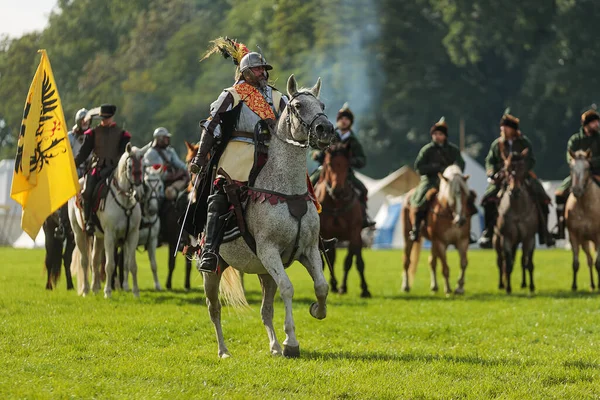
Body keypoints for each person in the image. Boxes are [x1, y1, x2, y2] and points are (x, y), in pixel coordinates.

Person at [188, 38, 288, 273]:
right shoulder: (232, 94)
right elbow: (212, 126)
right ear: (245, 72)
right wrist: (200, 158)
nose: (263, 72)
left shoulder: (276, 97)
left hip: (269, 153)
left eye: (264, 69)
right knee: (222, 191)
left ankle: (309, 238)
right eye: (258, 69)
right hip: (237, 152)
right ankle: (210, 250)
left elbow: (292, 118)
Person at [478, 111, 555, 248]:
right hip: (502, 178)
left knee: (542, 197)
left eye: (505, 127)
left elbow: (531, 160)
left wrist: (522, 171)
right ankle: (488, 232)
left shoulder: (524, 142)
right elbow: (490, 160)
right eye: (502, 127)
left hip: (522, 176)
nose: (503, 129)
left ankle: (545, 233)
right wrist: (492, 173)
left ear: (513, 129)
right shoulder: (497, 144)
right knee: (487, 200)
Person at [310, 103, 375, 228]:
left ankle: (364, 216)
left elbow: (362, 159)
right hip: (325, 170)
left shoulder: (353, 141)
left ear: (350, 122)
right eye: (341, 118)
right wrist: (317, 154)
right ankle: (307, 215)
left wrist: (351, 161)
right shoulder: (328, 135)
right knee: (309, 185)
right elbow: (315, 148)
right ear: (338, 120)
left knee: (363, 189)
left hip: (346, 174)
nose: (344, 121)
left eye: (347, 119)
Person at [409, 118, 473, 241]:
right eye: (435, 134)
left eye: (440, 134)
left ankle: (467, 231)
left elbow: (461, 164)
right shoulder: (427, 150)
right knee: (421, 199)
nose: (437, 136)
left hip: (450, 182)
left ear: (444, 136)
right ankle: (416, 229)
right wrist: (434, 168)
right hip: (431, 181)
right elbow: (419, 167)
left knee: (467, 197)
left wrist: (453, 172)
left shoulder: (453, 150)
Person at [74, 104, 131, 235]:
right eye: (102, 118)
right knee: (87, 192)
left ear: (112, 117)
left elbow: (123, 155)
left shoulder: (122, 134)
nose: (104, 120)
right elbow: (83, 154)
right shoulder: (93, 133)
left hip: (115, 170)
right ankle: (89, 222)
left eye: (107, 118)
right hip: (97, 169)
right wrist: (73, 165)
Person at [553, 109, 600, 239]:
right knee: (559, 194)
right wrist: (578, 164)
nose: (597, 125)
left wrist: (589, 162)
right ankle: (561, 226)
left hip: (597, 172)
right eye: (594, 122)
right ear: (586, 125)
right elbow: (569, 156)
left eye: (597, 122)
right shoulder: (574, 140)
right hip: (578, 174)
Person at [139, 127, 189, 201]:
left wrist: (188, 169)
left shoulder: (170, 151)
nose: (167, 140)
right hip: (156, 182)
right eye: (165, 138)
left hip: (171, 179)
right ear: (159, 139)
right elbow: (153, 172)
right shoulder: (150, 153)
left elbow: (178, 163)